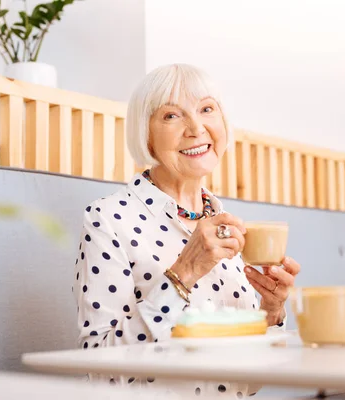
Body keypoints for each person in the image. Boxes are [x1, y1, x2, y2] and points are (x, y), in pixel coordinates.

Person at [73, 63, 301, 398]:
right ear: (145, 134)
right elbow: (101, 372)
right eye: (171, 116)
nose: (196, 128)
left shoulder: (226, 226)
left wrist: (269, 314)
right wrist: (183, 273)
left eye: (207, 109)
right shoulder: (107, 219)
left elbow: (247, 385)